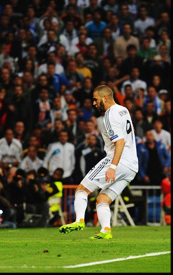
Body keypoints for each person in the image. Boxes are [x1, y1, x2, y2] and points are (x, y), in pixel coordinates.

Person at [59, 85, 138, 239]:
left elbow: (120, 142)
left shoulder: (109, 115)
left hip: (117, 161)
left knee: (82, 189)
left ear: (105, 98)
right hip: (132, 166)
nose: (94, 103)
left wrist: (112, 167)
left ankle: (79, 221)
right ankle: (106, 231)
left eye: (95, 100)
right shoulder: (123, 110)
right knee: (103, 198)